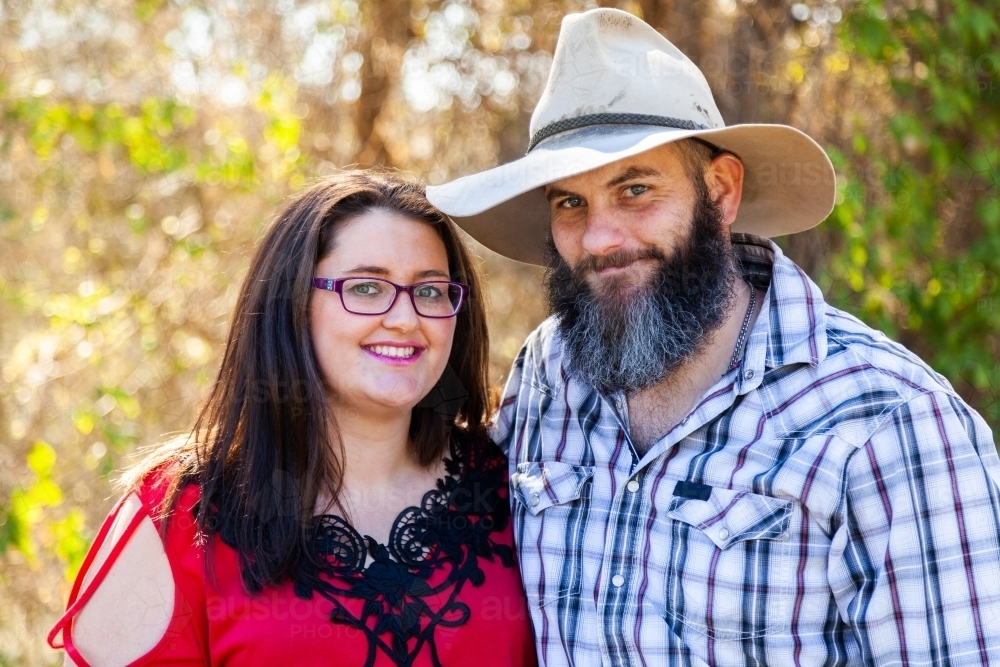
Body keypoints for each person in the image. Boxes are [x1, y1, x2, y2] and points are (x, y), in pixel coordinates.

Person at [426, 8, 1000, 667]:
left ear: (721, 191)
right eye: (570, 203)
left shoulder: (889, 421)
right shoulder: (546, 373)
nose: (600, 239)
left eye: (635, 189)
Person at [48, 171, 537, 666]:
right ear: (293, 305)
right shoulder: (179, 512)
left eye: (430, 292)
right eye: (366, 287)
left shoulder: (518, 490)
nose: (406, 319)